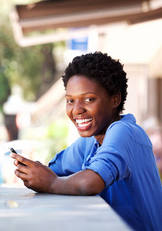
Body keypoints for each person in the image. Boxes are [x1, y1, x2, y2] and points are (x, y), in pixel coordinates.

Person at [11, 52, 162, 231]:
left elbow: (90, 182)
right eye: (70, 101)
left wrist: (51, 183)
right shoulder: (90, 142)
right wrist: (34, 172)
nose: (76, 110)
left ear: (115, 99)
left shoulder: (125, 132)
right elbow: (53, 172)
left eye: (88, 99)